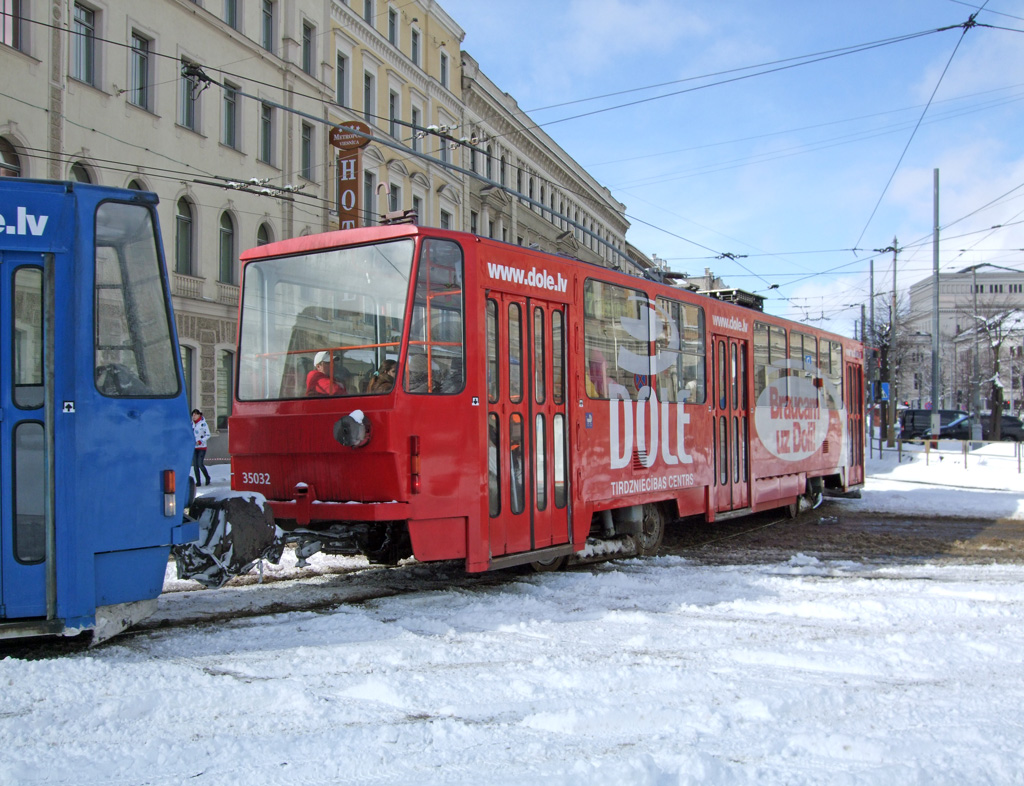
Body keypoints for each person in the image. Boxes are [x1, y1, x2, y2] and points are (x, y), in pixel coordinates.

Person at [191, 409, 212, 486]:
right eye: (193, 415)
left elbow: (208, 435)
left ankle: (207, 477)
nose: (194, 416)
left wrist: (200, 441)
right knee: (195, 465)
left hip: (202, 447)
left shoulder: (203, 424)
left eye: (195, 415)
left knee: (200, 464)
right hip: (194, 447)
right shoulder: (192, 424)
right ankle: (198, 481)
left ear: (199, 415)